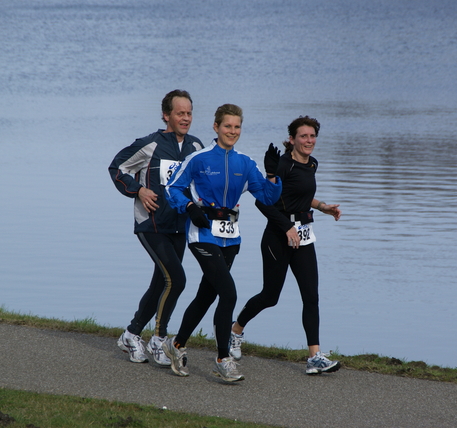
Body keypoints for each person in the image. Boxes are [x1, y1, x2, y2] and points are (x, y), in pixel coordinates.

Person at [162, 104, 282, 382]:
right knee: (228, 293)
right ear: (216, 127)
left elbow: (267, 197)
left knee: (207, 295)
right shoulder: (199, 158)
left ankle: (175, 345)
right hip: (202, 233)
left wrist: (273, 175)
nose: (233, 131)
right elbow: (172, 188)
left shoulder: (245, 162)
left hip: (231, 237)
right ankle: (222, 358)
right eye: (227, 126)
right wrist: (189, 206)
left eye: (237, 127)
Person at [229, 115, 342, 375]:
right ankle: (235, 330)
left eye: (312, 136)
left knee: (311, 296)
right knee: (270, 296)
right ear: (291, 139)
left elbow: (301, 195)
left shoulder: (312, 163)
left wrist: (322, 207)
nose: (309, 141)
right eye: (303, 136)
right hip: (278, 237)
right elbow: (263, 202)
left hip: (303, 236)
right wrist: (287, 226)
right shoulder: (282, 165)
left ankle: (314, 357)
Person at [108, 90, 203, 366]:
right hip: (151, 224)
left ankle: (131, 334)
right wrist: (139, 191)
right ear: (166, 115)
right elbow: (117, 168)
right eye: (179, 113)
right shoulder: (150, 144)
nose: (185, 118)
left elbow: (202, 182)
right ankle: (159, 340)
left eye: (188, 113)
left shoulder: (196, 147)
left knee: (162, 282)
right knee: (177, 280)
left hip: (179, 226)